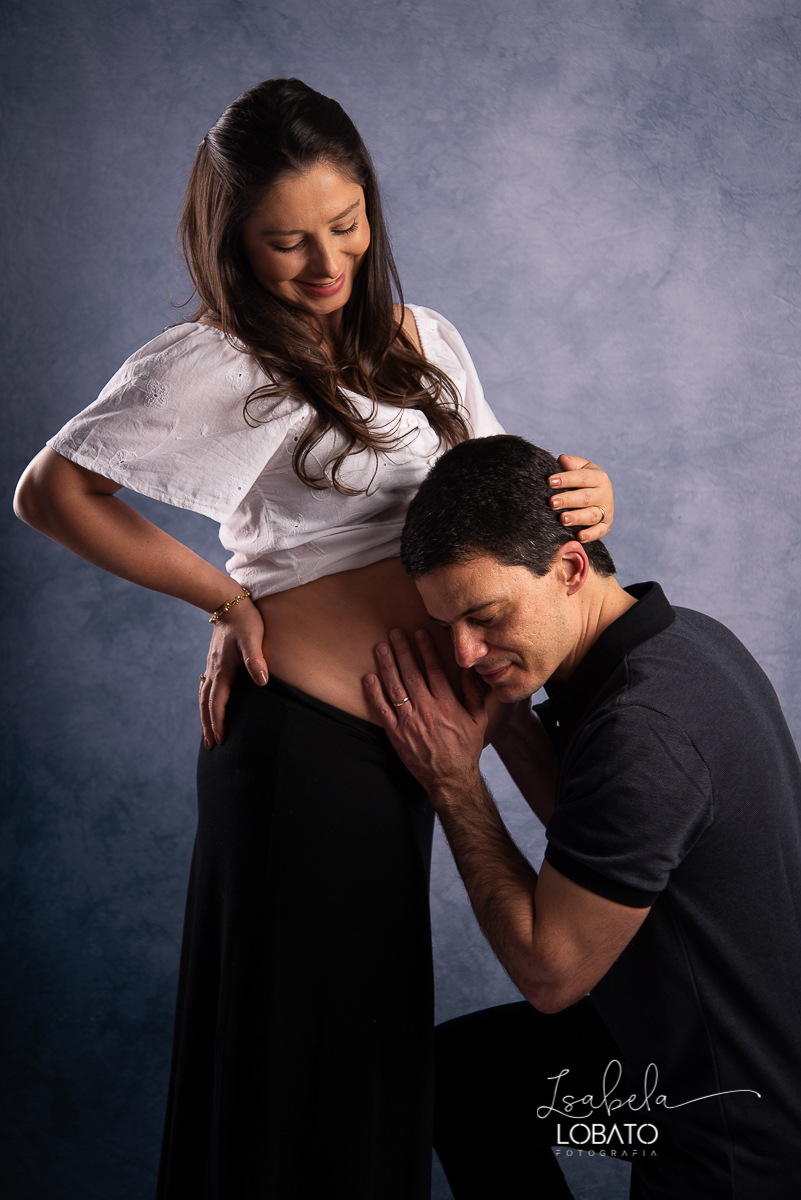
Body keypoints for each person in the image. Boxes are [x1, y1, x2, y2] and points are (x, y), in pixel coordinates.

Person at [13, 82, 615, 1198]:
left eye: (344, 227)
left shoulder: (427, 339)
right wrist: (221, 599)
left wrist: (587, 493)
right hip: (300, 757)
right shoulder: (226, 357)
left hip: (399, 757)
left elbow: (498, 499)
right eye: (287, 242)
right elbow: (52, 493)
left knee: (363, 1073)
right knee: (298, 1087)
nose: (325, 264)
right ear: (234, 241)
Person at [366, 434, 801, 1200]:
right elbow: (599, 826)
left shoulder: (643, 729)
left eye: (486, 615)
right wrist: (502, 719)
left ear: (568, 567)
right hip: (667, 1055)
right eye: (447, 628)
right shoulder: (683, 640)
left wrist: (454, 785)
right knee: (461, 1085)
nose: (464, 652)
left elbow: (550, 974)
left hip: (706, 1125)